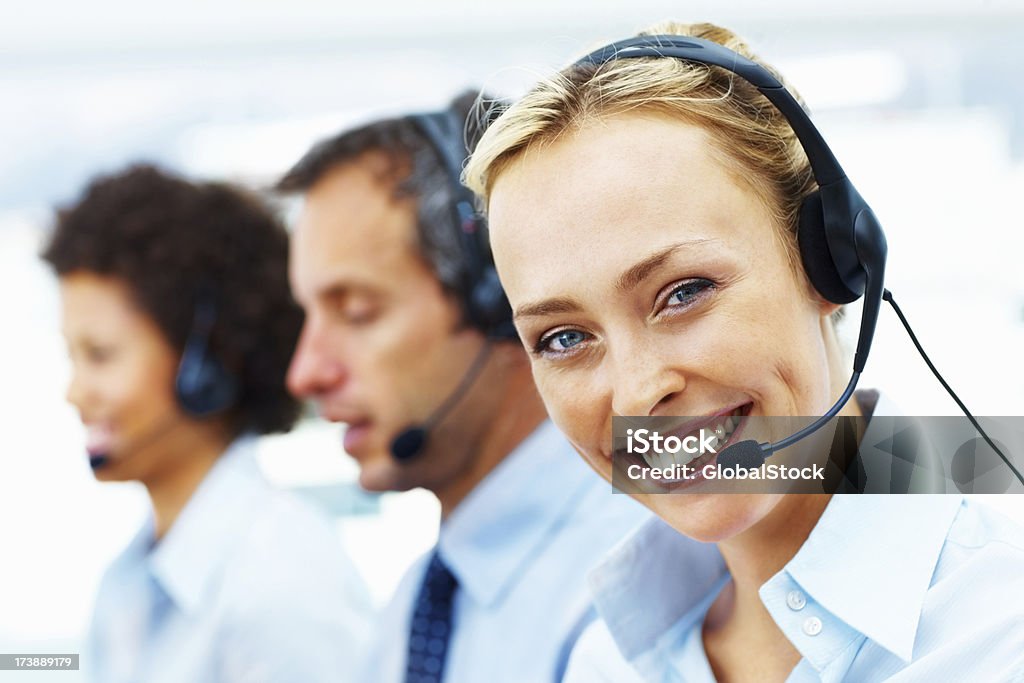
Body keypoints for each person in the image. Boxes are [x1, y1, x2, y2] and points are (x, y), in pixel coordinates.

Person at [464, 21, 1024, 682]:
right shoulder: (604, 662)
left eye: (683, 292)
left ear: (829, 261)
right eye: (564, 338)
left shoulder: (998, 629)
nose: (638, 392)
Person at [278, 91, 652, 683]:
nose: (306, 372)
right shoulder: (413, 607)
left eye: (356, 313)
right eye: (307, 316)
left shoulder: (651, 564)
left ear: (500, 298)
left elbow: (846, 454)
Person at [44, 164, 370, 683]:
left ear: (208, 364)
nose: (74, 392)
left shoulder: (281, 586)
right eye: (72, 356)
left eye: (100, 355)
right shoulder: (126, 584)